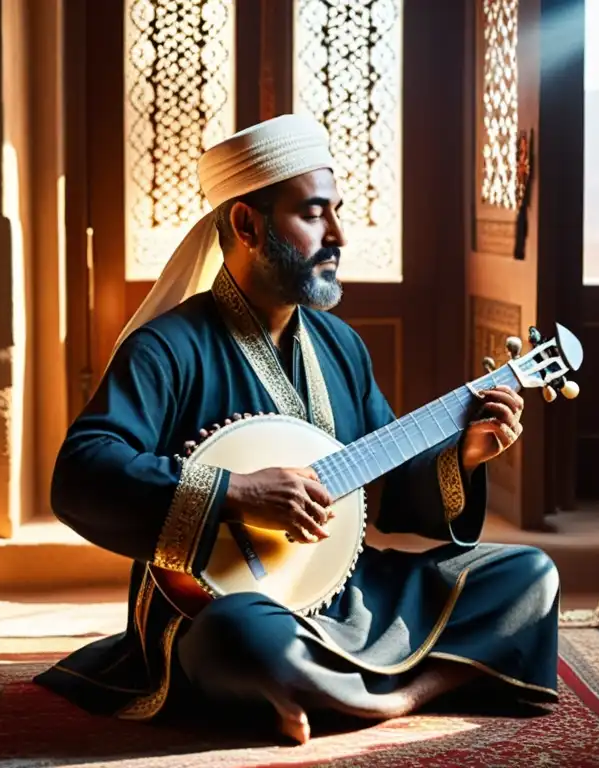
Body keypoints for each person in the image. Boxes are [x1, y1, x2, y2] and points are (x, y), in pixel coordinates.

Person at [34, 114, 560, 744]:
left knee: (529, 576)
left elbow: (385, 490)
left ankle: (371, 698)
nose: (337, 233)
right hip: (222, 606)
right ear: (247, 225)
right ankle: (377, 684)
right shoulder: (167, 348)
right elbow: (81, 473)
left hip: (343, 594)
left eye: (335, 211)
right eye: (314, 214)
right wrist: (234, 493)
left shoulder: (341, 346)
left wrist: (464, 457)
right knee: (240, 635)